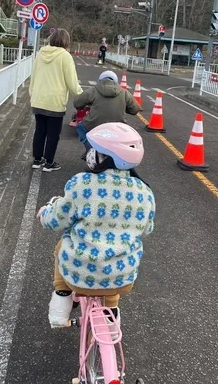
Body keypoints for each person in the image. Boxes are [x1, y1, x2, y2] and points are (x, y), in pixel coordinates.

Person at [37, 122, 155, 328]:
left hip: (78, 275)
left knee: (61, 248)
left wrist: (44, 213)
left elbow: (56, 220)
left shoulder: (81, 183)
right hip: (123, 277)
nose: (88, 154)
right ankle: (110, 316)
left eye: (92, 150)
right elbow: (147, 229)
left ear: (104, 156)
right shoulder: (145, 192)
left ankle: (60, 301)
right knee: (113, 278)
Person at [29, 28, 83, 172]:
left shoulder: (41, 53)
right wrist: (81, 94)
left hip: (38, 99)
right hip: (55, 101)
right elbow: (71, 81)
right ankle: (49, 163)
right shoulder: (65, 56)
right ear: (66, 41)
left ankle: (37, 160)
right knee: (53, 134)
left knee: (39, 130)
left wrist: (32, 93)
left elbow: (33, 75)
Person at [72, 70, 141, 158]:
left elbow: (77, 104)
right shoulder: (124, 93)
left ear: (100, 80)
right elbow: (135, 110)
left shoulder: (93, 90)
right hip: (117, 128)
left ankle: (91, 149)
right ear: (115, 81)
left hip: (94, 125)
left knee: (80, 128)